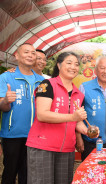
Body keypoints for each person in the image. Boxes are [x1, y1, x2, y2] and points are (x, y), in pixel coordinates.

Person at [25, 52, 90, 183]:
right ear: (59, 65)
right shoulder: (47, 85)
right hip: (43, 146)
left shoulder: (79, 94)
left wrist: (87, 131)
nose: (73, 67)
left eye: (76, 64)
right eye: (69, 63)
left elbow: (77, 121)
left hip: (66, 148)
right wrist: (73, 117)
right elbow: (42, 115)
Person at [0, 43, 44, 184]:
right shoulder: (6, 77)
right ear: (17, 56)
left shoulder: (42, 82)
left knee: (29, 174)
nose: (30, 55)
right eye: (26, 52)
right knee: (10, 172)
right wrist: (6, 100)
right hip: (13, 134)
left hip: (36, 135)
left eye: (33, 53)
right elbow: (3, 107)